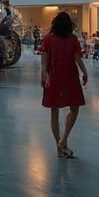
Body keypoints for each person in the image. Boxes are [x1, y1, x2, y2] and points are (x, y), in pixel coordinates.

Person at [39, 12, 87, 158]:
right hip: (70, 76)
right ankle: (64, 140)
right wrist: (85, 72)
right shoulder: (73, 39)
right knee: (74, 108)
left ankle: (59, 145)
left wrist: (43, 76)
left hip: (53, 76)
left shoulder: (48, 39)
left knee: (54, 111)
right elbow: (77, 58)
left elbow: (43, 61)